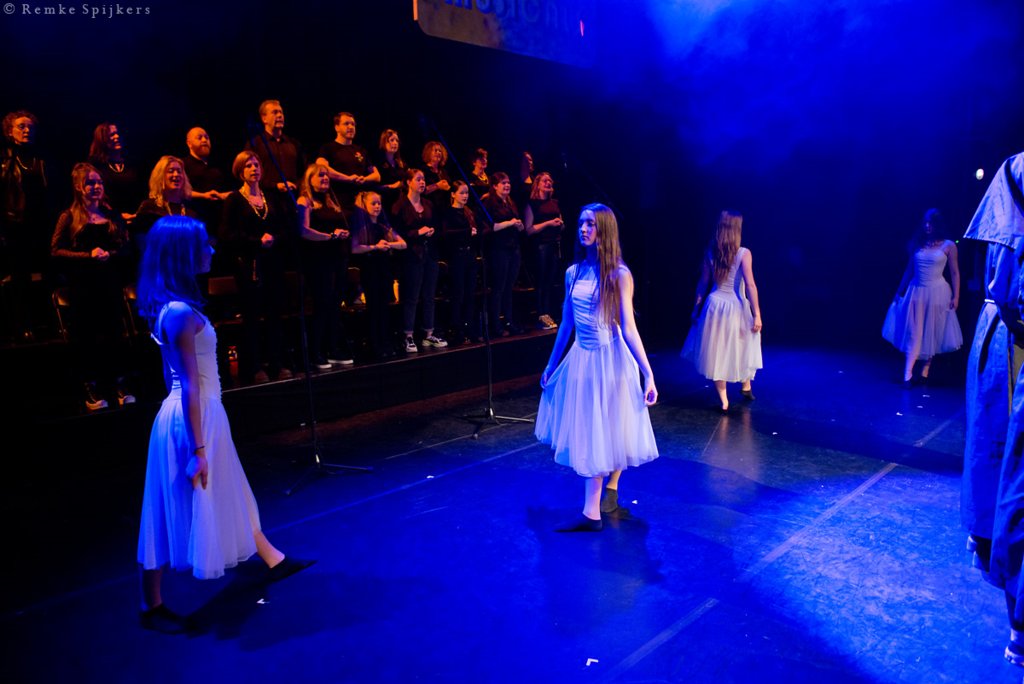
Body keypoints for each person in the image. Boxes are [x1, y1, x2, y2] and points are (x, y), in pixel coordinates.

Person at [135, 216, 313, 634]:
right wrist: (197, 449)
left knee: (229, 486)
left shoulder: (175, 307)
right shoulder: (179, 312)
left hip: (199, 413)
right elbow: (189, 385)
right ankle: (151, 604)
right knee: (171, 501)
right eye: (204, 245)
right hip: (195, 417)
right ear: (183, 254)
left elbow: (175, 376)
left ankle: (271, 557)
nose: (211, 251)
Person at [536, 203, 659, 532]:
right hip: (582, 358)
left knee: (606, 427)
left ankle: (594, 510)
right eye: (581, 224)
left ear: (604, 229)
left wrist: (648, 373)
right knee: (593, 428)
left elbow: (628, 328)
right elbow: (566, 323)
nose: (583, 229)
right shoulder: (573, 273)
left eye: (590, 224)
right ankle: (597, 506)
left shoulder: (619, 275)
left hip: (610, 360)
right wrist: (551, 363)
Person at [960, 151, 1024, 665]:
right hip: (1010, 339)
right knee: (1006, 464)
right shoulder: (1018, 171)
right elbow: (1008, 289)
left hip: (1007, 336)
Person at [50, 163, 134, 411]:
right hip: (83, 286)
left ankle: (120, 383)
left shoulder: (111, 215)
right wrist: (87, 255)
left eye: (99, 182)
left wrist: (111, 254)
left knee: (114, 333)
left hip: (109, 283)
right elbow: (55, 250)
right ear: (79, 187)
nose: (96, 186)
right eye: (90, 183)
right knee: (86, 336)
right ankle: (91, 386)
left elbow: (126, 248)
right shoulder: (69, 216)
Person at [219, 151, 291, 384]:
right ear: (240, 171)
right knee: (252, 317)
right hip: (248, 264)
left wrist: (274, 239)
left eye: (256, 165)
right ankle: (254, 366)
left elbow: (285, 227)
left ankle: (277, 362)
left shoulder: (271, 197)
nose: (254, 169)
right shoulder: (234, 200)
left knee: (274, 314)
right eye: (248, 165)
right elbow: (226, 235)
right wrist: (255, 241)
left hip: (273, 263)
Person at [681, 210, 763, 412]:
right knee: (743, 343)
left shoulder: (711, 252)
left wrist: (696, 309)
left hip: (714, 306)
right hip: (735, 306)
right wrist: (757, 314)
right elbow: (750, 285)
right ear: (737, 229)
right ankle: (745, 386)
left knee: (716, 351)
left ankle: (726, 400)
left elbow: (703, 284)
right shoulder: (744, 253)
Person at [882, 208, 963, 386]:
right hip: (916, 291)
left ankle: (925, 371)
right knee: (914, 333)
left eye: (931, 223)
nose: (927, 226)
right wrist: (899, 292)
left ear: (937, 225)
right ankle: (908, 374)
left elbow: (955, 272)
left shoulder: (948, 245)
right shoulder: (918, 244)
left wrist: (956, 296)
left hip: (938, 292)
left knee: (932, 331)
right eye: (925, 223)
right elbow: (909, 271)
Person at [297, 162, 352, 370]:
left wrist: (342, 234)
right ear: (309, 179)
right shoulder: (305, 201)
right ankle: (316, 351)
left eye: (327, 175)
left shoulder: (331, 200)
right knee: (322, 304)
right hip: (319, 260)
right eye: (320, 175)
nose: (325, 178)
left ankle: (333, 348)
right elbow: (303, 231)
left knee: (335, 304)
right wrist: (330, 236)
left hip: (338, 258)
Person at [0, 110, 49, 342]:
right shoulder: (5, 160)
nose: (27, 130)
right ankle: (24, 325)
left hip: (42, 225)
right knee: (20, 277)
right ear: (10, 132)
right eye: (21, 126)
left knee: (48, 274)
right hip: (16, 226)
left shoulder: (41, 159)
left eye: (30, 126)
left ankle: (47, 321)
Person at [391, 168, 447, 353]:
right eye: (418, 179)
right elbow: (396, 232)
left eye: (423, 179)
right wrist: (417, 232)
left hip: (429, 254)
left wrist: (431, 231)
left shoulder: (428, 204)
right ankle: (408, 335)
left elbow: (437, 226)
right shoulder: (400, 205)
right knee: (411, 296)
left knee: (429, 295)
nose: (422, 182)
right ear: (409, 182)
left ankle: (429, 333)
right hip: (412, 256)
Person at [351, 190, 406, 359]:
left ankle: (385, 342)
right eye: (373, 203)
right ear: (365, 205)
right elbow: (355, 248)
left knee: (385, 307)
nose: (377, 206)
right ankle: (375, 344)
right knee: (374, 307)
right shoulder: (361, 226)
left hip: (384, 269)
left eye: (379, 203)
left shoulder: (383, 225)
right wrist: (376, 247)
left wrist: (388, 244)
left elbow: (403, 244)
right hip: (370, 269)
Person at [480, 172, 525, 337]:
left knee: (509, 287)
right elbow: (489, 227)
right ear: (494, 186)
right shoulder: (489, 202)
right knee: (498, 287)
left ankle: (508, 321)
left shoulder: (510, 202)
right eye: (503, 183)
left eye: (508, 183)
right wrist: (509, 223)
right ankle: (495, 324)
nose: (507, 185)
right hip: (498, 249)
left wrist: (518, 225)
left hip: (513, 248)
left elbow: (517, 224)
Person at [132, 155, 197, 259]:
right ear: (160, 176)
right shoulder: (150, 207)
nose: (176, 175)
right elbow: (140, 241)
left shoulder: (190, 209)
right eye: (170, 171)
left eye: (179, 171)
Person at [441, 181, 480, 345]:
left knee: (470, 293)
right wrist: (467, 232)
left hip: (470, 255)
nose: (465, 196)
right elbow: (446, 234)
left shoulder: (468, 212)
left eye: (467, 193)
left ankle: (469, 327)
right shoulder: (448, 213)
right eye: (462, 193)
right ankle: (456, 329)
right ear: (453, 194)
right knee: (458, 293)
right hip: (456, 256)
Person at [316, 112, 380, 211]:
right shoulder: (327, 148)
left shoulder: (361, 150)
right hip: (339, 202)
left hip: (361, 203)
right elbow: (321, 168)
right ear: (337, 127)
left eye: (353, 124)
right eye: (346, 124)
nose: (350, 127)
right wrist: (347, 178)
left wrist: (365, 179)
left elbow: (377, 176)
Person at [524, 171, 564, 330]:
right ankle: (540, 314)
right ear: (538, 184)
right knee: (541, 281)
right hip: (540, 246)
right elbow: (529, 229)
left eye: (550, 181)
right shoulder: (532, 204)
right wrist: (548, 223)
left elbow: (561, 222)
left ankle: (547, 312)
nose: (548, 183)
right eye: (545, 181)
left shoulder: (554, 202)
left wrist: (560, 224)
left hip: (554, 244)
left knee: (550, 281)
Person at [87, 122, 143, 222]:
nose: (117, 137)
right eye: (112, 135)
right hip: (108, 219)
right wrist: (116, 215)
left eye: (118, 133)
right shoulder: (96, 165)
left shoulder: (130, 163)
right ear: (102, 139)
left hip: (134, 218)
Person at [182, 127, 230, 239]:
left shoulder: (218, 163)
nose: (204, 140)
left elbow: (233, 189)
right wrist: (203, 195)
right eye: (199, 138)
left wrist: (223, 195)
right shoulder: (183, 164)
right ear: (189, 143)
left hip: (220, 221)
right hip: (196, 220)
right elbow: (180, 191)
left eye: (207, 137)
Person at [375, 128, 406, 211]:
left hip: (401, 201)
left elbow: (408, 178)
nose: (395, 143)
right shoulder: (378, 162)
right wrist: (391, 186)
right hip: (385, 202)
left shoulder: (400, 162)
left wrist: (401, 183)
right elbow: (374, 186)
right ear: (384, 142)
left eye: (397, 140)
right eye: (392, 140)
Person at [420, 141, 451, 214]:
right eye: (435, 150)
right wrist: (437, 186)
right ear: (428, 153)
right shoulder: (423, 170)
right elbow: (421, 191)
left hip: (444, 208)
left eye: (440, 151)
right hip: (430, 209)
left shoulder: (443, 171)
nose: (438, 153)